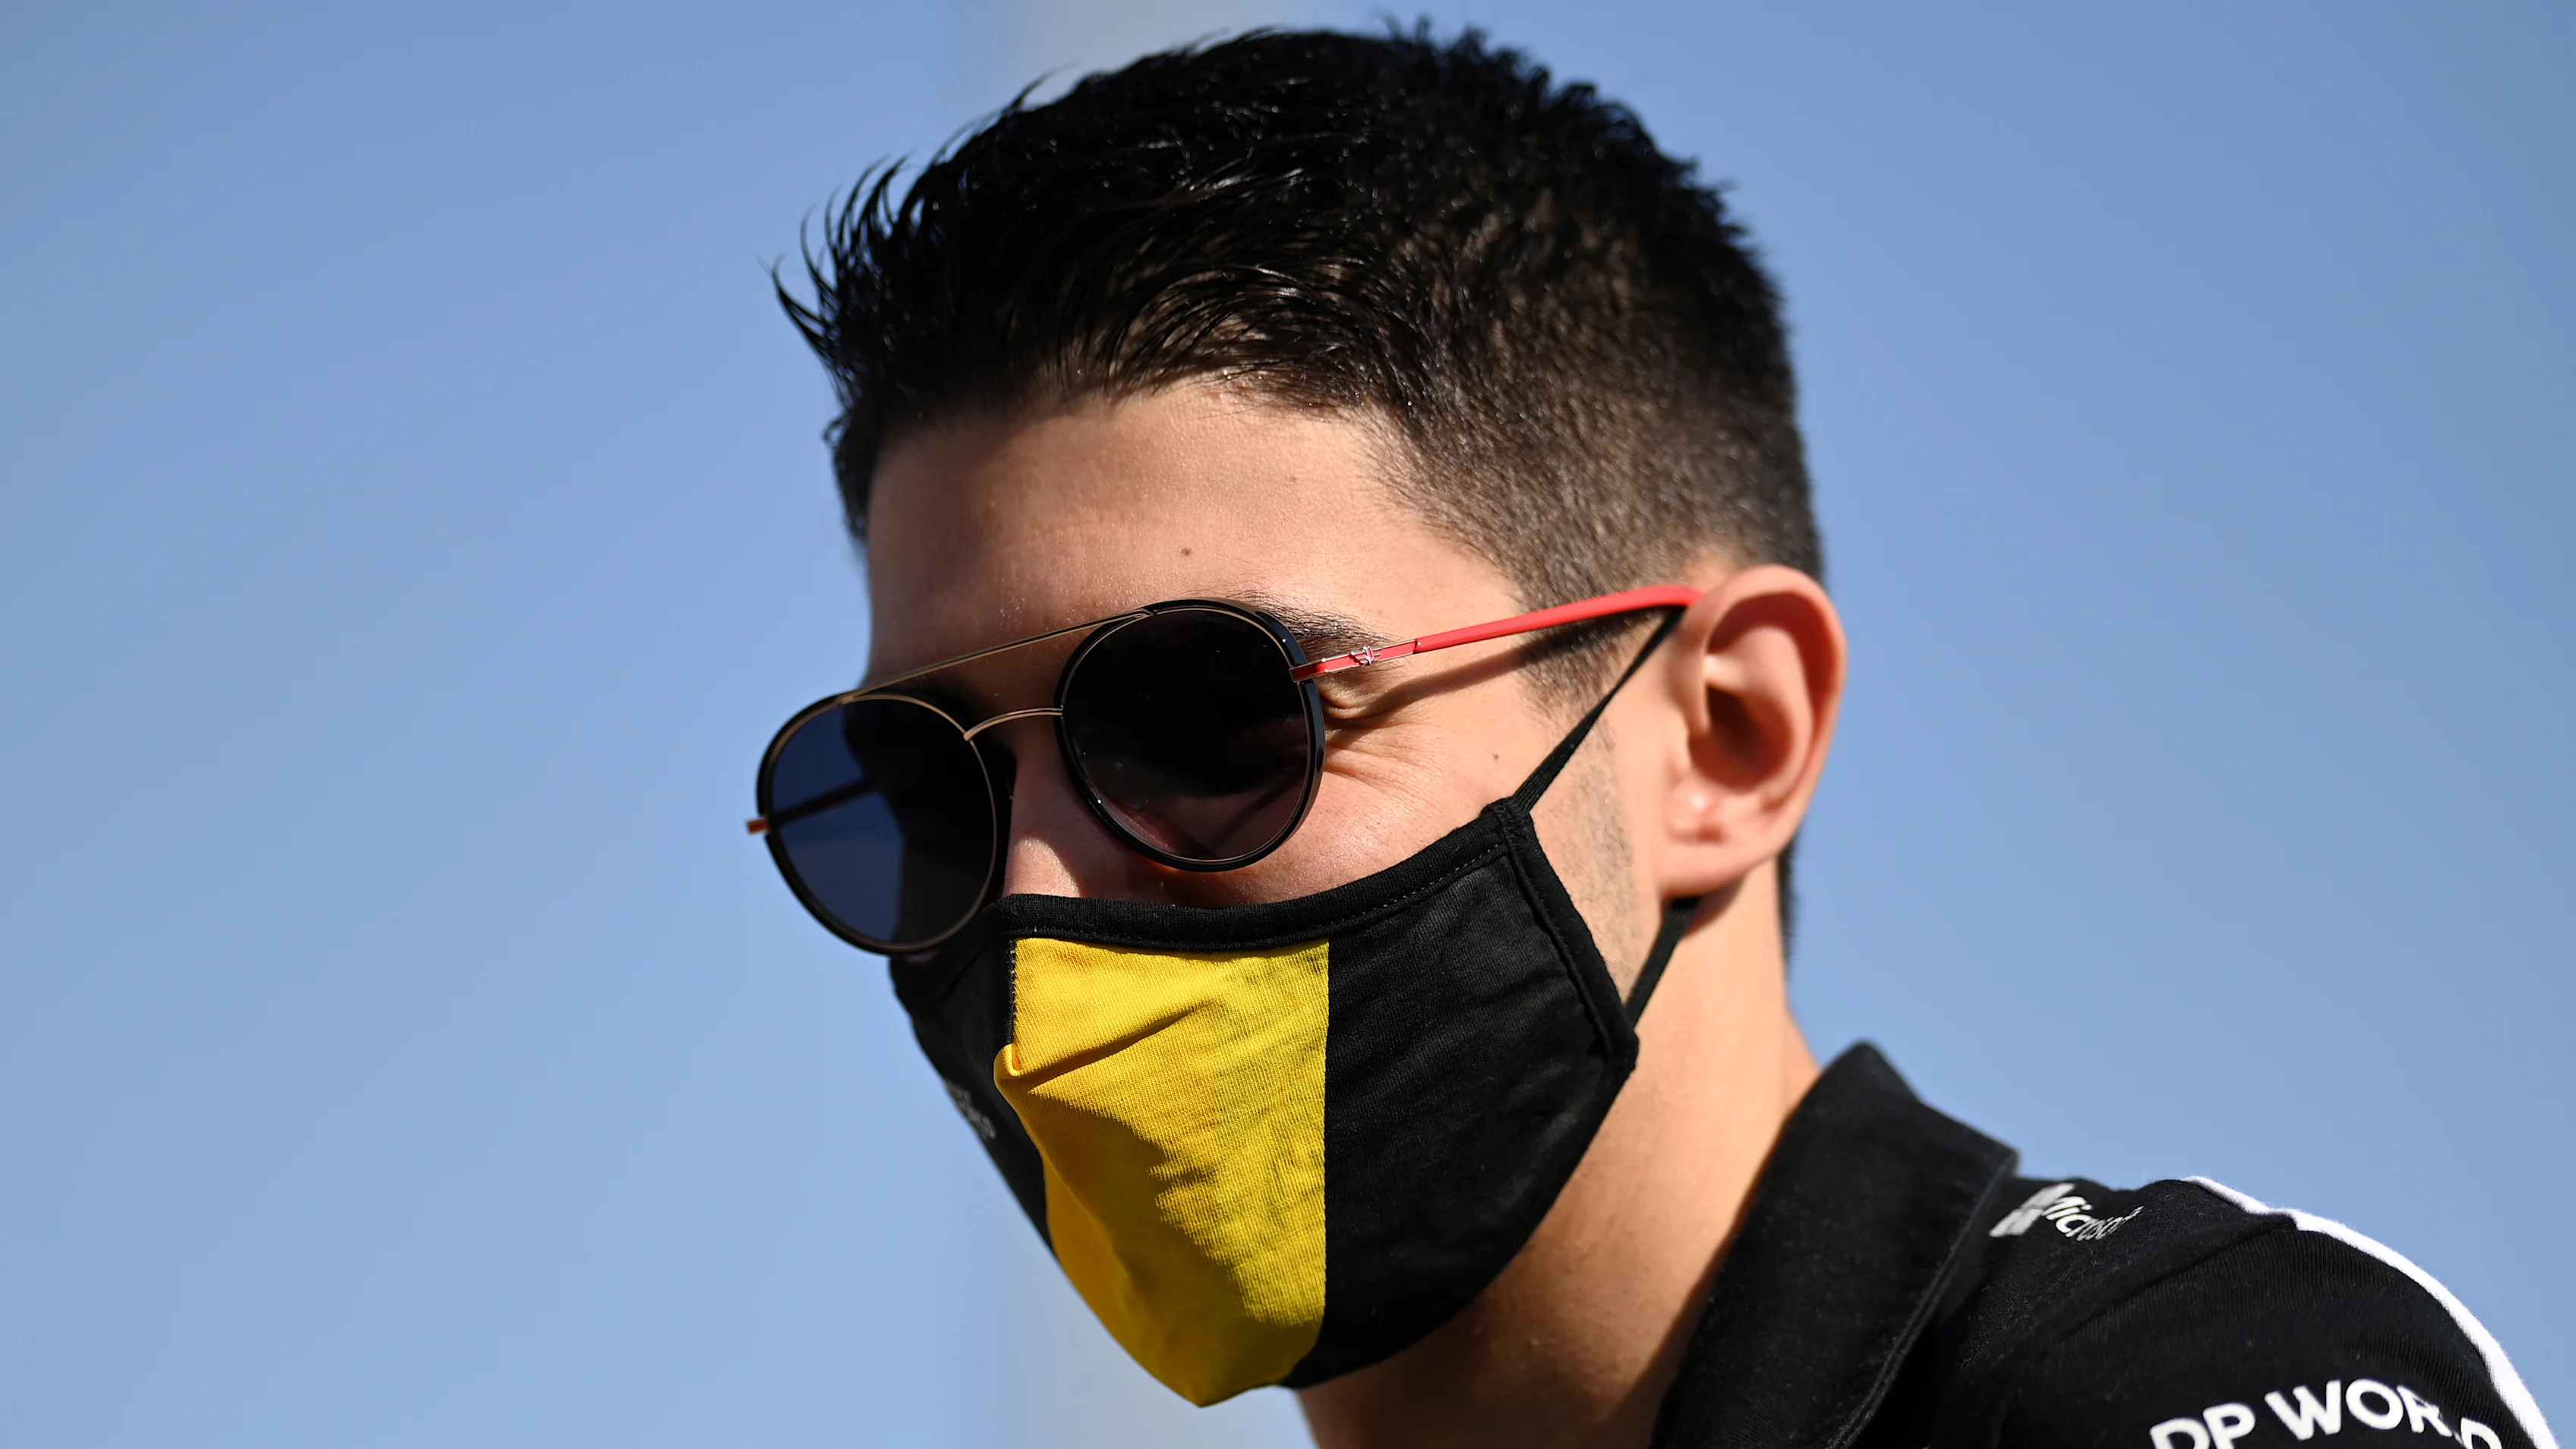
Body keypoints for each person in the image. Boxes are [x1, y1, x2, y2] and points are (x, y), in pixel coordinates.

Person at [747, 27, 2557, 1449]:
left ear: (1726, 736)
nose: (1040, 901)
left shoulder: (2177, 1389)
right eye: (922, 787)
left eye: (1210, 715)